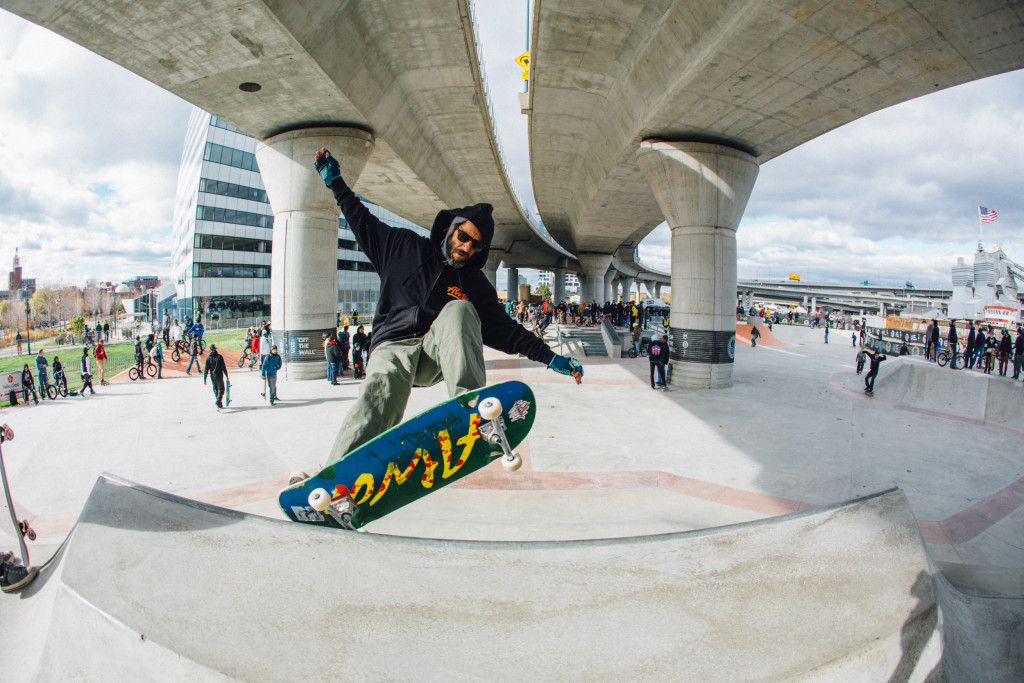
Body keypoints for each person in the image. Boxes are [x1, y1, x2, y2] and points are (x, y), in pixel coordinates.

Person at [314, 147, 582, 466]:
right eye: (463, 236)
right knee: (380, 389)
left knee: (460, 309)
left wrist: (551, 358)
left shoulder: (474, 284)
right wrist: (336, 183)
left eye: (475, 245)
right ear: (450, 228)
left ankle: (470, 411)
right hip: (392, 347)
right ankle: (334, 474)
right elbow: (362, 220)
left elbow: (506, 330)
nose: (466, 247)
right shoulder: (402, 246)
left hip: (435, 355)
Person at [202, 344, 229, 409]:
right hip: (219, 375)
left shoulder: (208, 358)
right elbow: (223, 367)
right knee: (221, 389)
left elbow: (206, 370)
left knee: (216, 389)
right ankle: (218, 401)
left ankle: (219, 404)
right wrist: (226, 375)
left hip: (212, 376)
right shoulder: (219, 357)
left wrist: (205, 379)